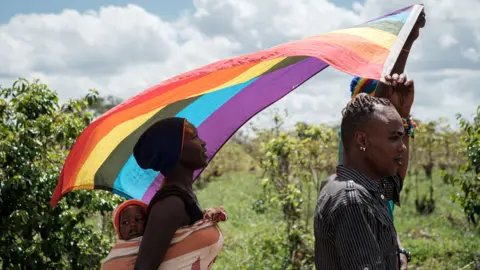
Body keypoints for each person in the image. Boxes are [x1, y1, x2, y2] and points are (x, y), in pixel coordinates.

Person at [314, 73, 415, 269]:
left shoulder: (364, 186)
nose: (402, 146)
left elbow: (395, 183)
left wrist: (403, 114)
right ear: (362, 140)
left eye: (402, 136)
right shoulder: (353, 200)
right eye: (394, 138)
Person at [132, 117, 228, 270]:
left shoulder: (183, 196)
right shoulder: (171, 203)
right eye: (195, 137)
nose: (203, 142)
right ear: (175, 150)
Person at [101, 199, 148, 269]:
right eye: (125, 222)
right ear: (119, 229)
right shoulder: (117, 252)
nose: (132, 224)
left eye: (138, 219)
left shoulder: (152, 241)